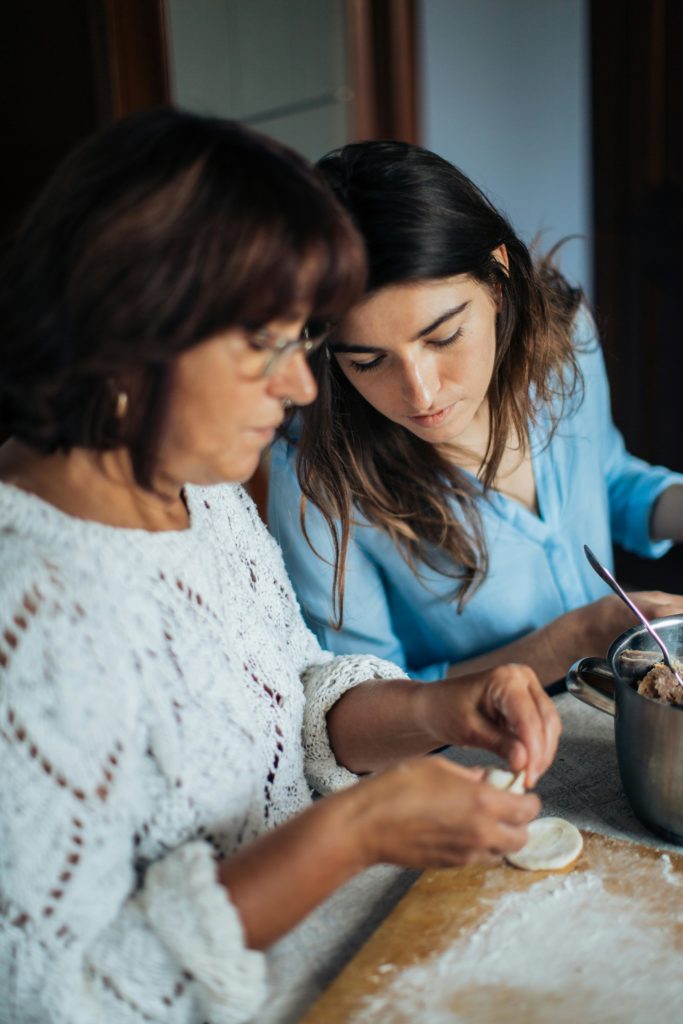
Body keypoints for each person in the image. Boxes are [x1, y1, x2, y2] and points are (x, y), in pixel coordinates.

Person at [0, 111, 560, 1024]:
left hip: (351, 958)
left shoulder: (197, 490)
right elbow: (57, 1000)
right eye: (265, 343)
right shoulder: (28, 609)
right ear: (128, 334)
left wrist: (436, 710)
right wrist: (353, 832)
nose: (304, 386)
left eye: (302, 341)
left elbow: (290, 705)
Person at [268, 140, 683, 687]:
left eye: (444, 337)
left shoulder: (564, 340)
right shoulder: (314, 479)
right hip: (473, 761)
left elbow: (609, 479)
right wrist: (568, 642)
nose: (421, 394)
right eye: (368, 362)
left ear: (496, 274)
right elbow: (368, 701)